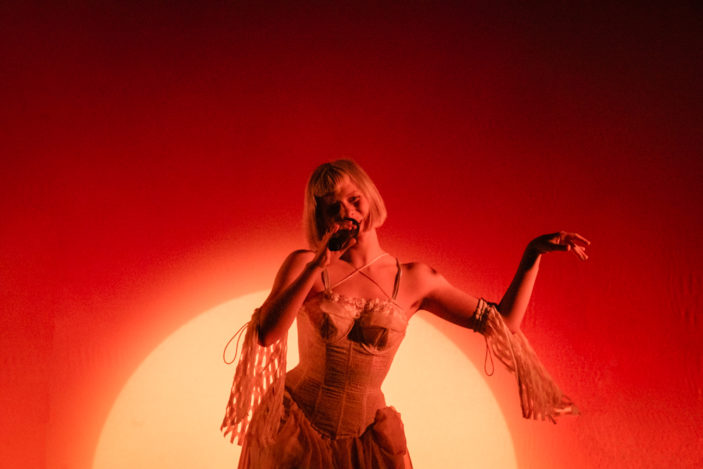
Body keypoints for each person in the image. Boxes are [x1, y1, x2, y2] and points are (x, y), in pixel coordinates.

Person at [222, 159, 588, 468]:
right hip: (297, 434)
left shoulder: (415, 279)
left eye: (354, 199)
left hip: (369, 444)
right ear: (321, 215)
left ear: (370, 199)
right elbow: (267, 334)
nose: (346, 211)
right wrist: (317, 265)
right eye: (333, 206)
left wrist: (532, 254)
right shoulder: (305, 265)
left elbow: (504, 323)